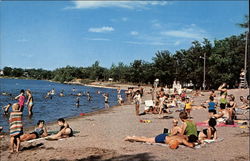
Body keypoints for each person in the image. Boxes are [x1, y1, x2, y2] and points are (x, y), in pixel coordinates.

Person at [124, 134, 195, 149]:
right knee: (145, 140)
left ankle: (135, 137)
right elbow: (190, 145)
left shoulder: (183, 136)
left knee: (148, 139)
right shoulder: (183, 140)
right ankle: (130, 137)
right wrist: (194, 144)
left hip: (165, 136)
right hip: (162, 138)